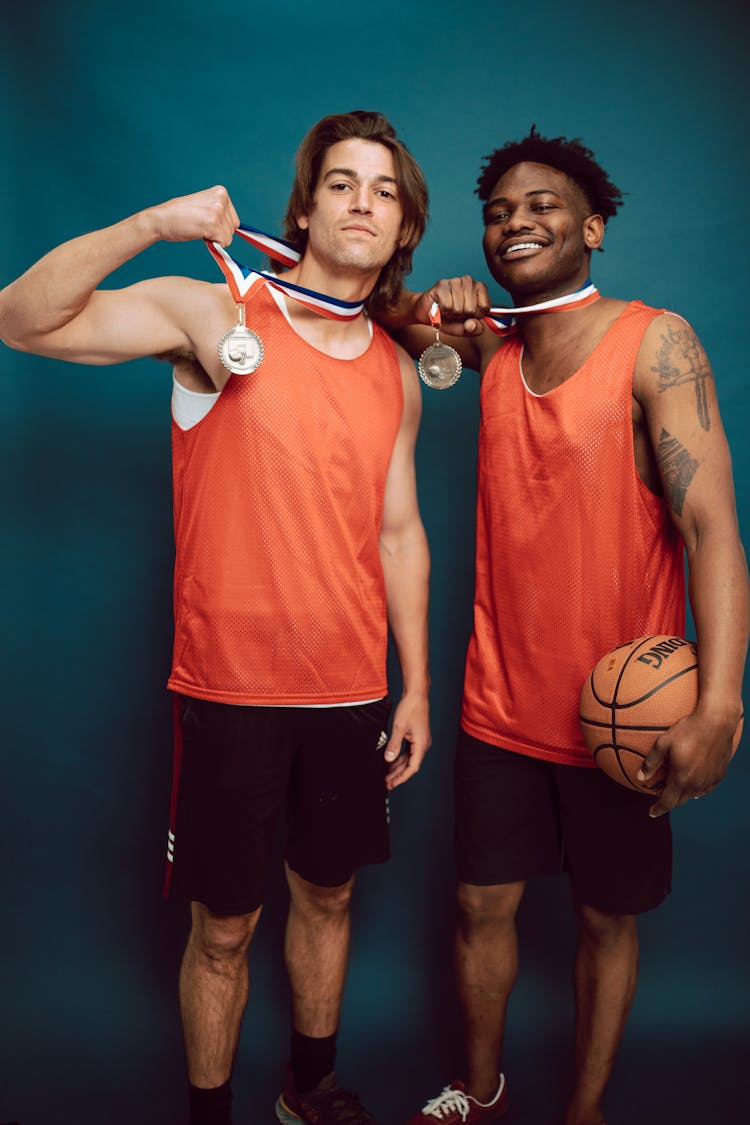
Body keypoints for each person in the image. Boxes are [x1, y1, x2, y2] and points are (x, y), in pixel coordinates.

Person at [0, 109, 432, 1125]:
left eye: (381, 187)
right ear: (306, 207)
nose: (360, 200)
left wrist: (414, 685)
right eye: (341, 181)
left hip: (352, 690)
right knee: (226, 930)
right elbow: (21, 318)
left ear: (403, 223)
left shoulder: (398, 373)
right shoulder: (215, 316)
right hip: (232, 689)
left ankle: (309, 1090)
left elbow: (401, 532)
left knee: (330, 897)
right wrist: (152, 222)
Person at [386, 128, 749, 1125]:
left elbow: (713, 526)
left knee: (604, 922)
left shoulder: (656, 341)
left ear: (591, 226)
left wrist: (720, 702)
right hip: (500, 704)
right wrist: (436, 299)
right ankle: (482, 1087)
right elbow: (378, 313)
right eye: (499, 212)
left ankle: (583, 1112)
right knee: (479, 909)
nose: (515, 222)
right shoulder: (487, 349)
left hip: (620, 718)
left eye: (541, 206)